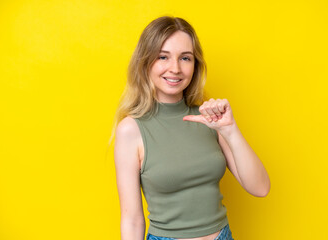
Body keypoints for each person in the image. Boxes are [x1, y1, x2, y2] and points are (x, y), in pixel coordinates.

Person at [111, 16, 270, 240]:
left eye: (185, 58)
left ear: (195, 65)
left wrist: (230, 130)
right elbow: (132, 219)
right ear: (146, 62)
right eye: (163, 57)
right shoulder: (131, 129)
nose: (175, 68)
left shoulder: (210, 118)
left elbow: (260, 188)